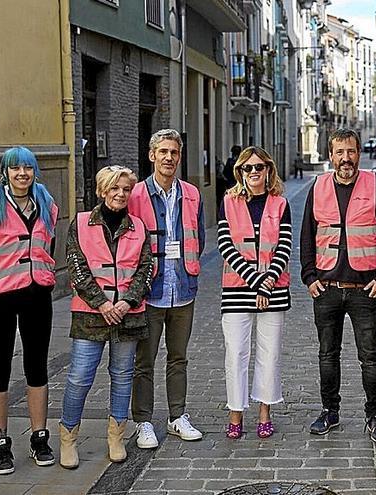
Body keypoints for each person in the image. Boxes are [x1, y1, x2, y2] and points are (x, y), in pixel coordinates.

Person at [300, 128, 376, 442]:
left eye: (351, 151)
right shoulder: (317, 187)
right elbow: (307, 235)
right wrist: (309, 277)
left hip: (363, 289)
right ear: (331, 155)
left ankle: (374, 415)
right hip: (327, 288)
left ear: (359, 153)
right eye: (340, 152)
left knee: (370, 356)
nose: (346, 158)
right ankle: (329, 412)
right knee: (327, 355)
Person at [0, 147, 59, 474]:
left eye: (28, 168)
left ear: (35, 171)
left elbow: (48, 245)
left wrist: (44, 279)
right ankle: (1, 443)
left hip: (37, 297)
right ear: (4, 172)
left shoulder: (47, 205)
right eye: (15, 168)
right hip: (0, 300)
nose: (22, 173)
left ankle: (39, 437)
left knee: (37, 368)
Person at [59, 166, 153, 468]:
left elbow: (145, 269)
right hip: (90, 315)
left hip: (129, 314)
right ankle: (68, 438)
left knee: (123, 376)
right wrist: (102, 304)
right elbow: (77, 268)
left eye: (126, 189)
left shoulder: (138, 226)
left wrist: (126, 302)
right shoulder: (81, 223)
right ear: (102, 191)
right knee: (79, 377)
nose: (120, 194)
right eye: (114, 188)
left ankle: (116, 436)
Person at [129, 129, 207, 449]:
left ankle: (177, 416)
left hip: (183, 288)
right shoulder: (135, 195)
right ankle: (144, 421)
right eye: (163, 152)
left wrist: (188, 265)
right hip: (150, 292)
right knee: (143, 361)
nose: (169, 158)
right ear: (152, 155)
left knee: (179, 358)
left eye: (174, 152)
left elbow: (198, 237)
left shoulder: (191, 193)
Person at [218, 146, 292, 439]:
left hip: (274, 290)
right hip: (238, 290)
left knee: (269, 354)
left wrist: (268, 282)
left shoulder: (280, 204)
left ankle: (265, 413)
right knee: (235, 353)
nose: (253, 173)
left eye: (258, 167)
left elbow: (284, 247)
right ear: (240, 172)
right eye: (247, 168)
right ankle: (235, 412)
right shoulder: (228, 202)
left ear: (268, 170)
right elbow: (225, 245)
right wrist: (256, 282)